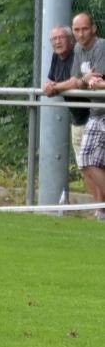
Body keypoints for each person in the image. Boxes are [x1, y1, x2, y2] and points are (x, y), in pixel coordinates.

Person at [49, 12, 105, 220]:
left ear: (94, 29)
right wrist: (85, 80)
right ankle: (101, 209)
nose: (81, 34)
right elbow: (80, 81)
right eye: (77, 30)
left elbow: (97, 82)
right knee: (86, 160)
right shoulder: (80, 50)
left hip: (99, 112)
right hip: (96, 112)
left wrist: (91, 82)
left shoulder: (101, 47)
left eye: (84, 29)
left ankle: (101, 209)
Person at [42, 25, 90, 161]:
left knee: (95, 167)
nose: (57, 42)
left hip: (95, 119)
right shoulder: (56, 57)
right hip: (77, 120)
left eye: (61, 37)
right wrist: (47, 86)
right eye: (54, 39)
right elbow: (52, 82)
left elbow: (77, 81)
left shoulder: (79, 53)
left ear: (71, 40)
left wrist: (55, 87)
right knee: (84, 166)